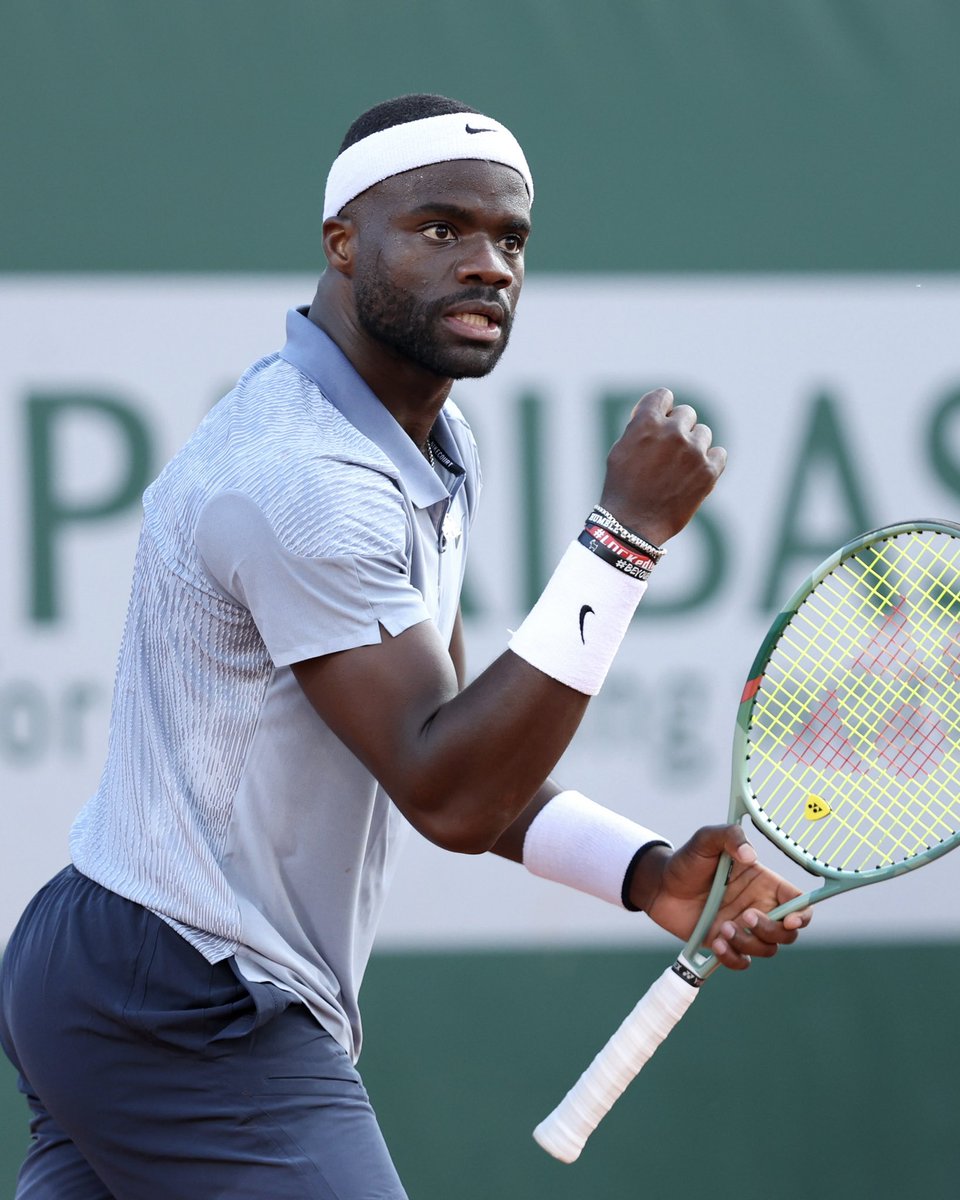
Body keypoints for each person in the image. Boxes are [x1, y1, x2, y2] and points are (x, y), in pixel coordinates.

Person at [0, 93, 810, 1199]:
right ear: (342, 243)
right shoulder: (305, 480)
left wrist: (645, 874)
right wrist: (623, 540)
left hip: (117, 967)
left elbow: (460, 742)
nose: (487, 263)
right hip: (185, 990)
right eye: (441, 230)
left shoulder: (423, 445)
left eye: (508, 239)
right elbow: (451, 792)